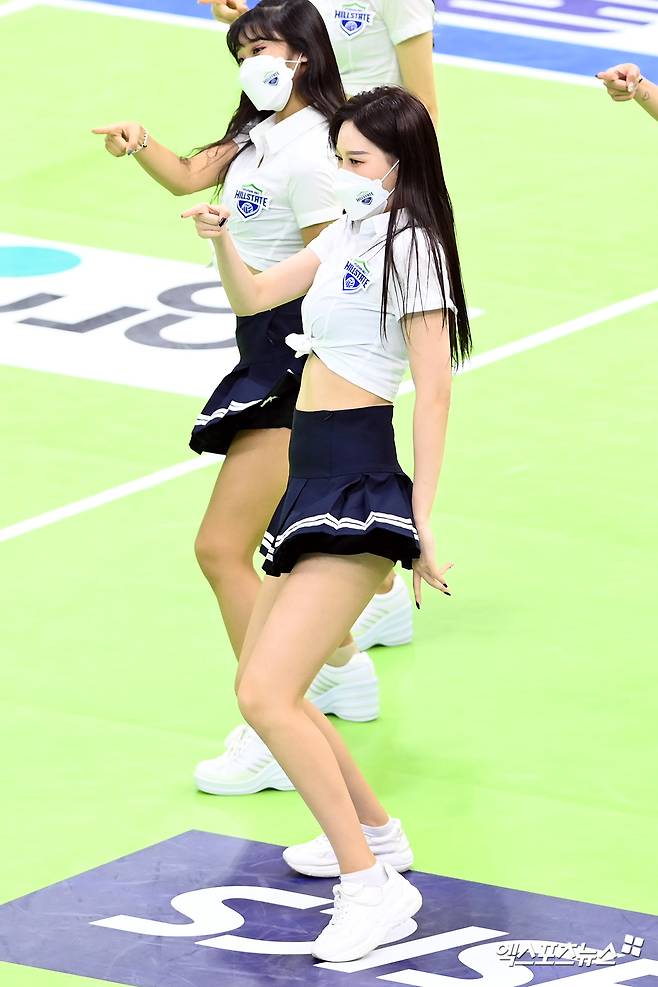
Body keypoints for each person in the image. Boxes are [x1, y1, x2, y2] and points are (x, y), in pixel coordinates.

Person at [182, 84, 471, 961]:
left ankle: (370, 888)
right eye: (337, 157)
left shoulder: (414, 249)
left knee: (265, 695)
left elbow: (434, 391)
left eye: (356, 160)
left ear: (399, 165)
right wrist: (223, 238)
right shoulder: (348, 230)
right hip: (308, 476)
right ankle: (378, 833)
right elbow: (256, 294)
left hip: (358, 482)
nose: (342, 172)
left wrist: (421, 519)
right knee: (276, 683)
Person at [92, 0, 388, 799]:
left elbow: (333, 261)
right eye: (243, 50)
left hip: (297, 354)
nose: (253, 61)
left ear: (306, 56)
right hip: (262, 345)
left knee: (224, 548)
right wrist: (141, 142)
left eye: (266, 48)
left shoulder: (320, 148)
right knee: (284, 546)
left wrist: (314, 356)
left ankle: (275, 727)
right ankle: (341, 669)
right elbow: (191, 174)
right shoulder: (259, 129)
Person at [205, 2, 439, 130]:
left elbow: (424, 108)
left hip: (364, 145)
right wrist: (242, 21)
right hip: (295, 134)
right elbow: (285, 49)